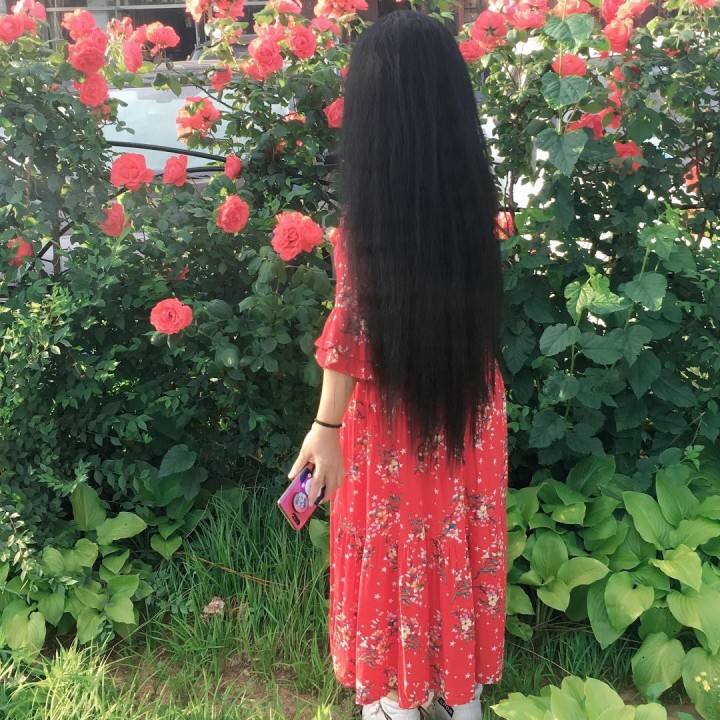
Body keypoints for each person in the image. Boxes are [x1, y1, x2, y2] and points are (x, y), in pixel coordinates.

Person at [287, 10, 507, 720]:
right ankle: (460, 696)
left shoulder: (365, 228)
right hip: (468, 404)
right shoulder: (474, 212)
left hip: (387, 419)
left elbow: (351, 331)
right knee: (458, 540)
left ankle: (393, 701)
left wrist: (326, 428)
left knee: (390, 549)